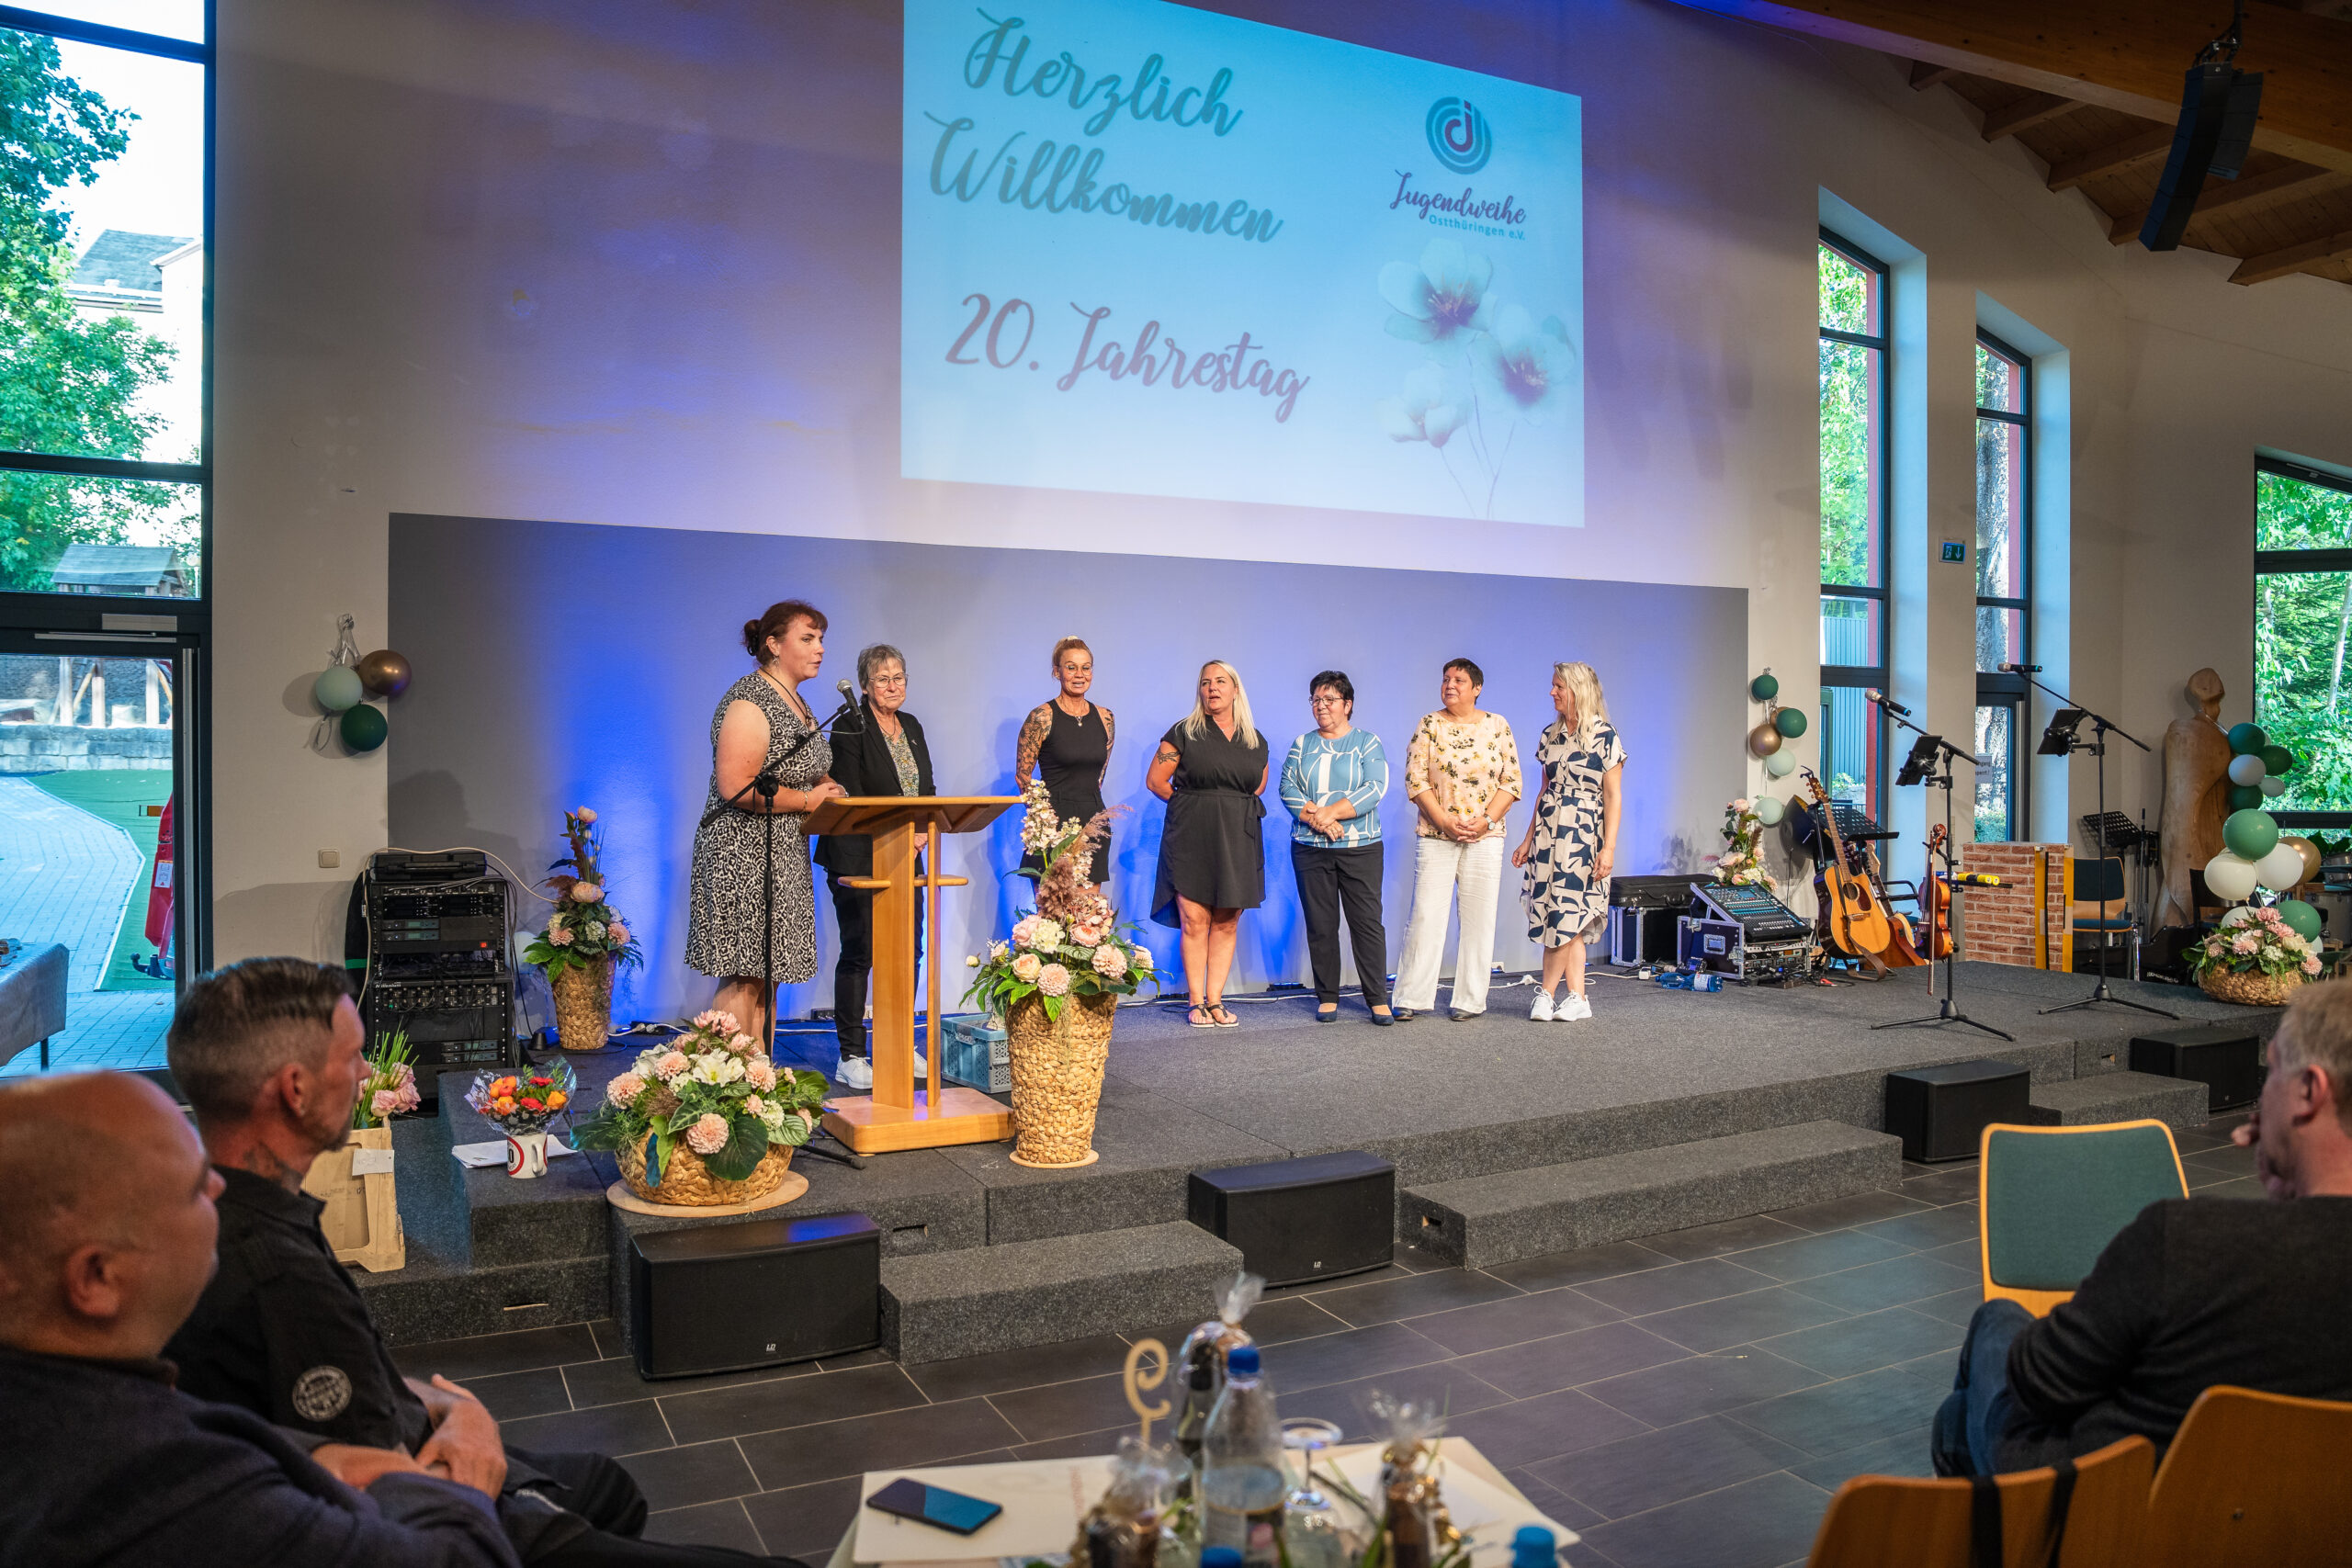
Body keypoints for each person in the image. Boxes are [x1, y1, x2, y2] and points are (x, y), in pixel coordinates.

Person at [158, 958, 794, 1565]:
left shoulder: (225, 1217)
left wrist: (447, 1404)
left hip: (421, 1444)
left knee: (608, 1483)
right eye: (352, 1057)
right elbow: (383, 1483)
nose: (365, 1073)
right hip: (444, 1521)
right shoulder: (277, 1278)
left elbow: (346, 1391)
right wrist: (472, 1436)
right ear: (294, 1090)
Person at [0, 1070, 521, 1566]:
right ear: (96, 1278)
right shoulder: (154, 1486)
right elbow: (463, 1558)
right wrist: (456, 1455)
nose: (220, 1189)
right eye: (193, 1186)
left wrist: (314, 1453)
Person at [1930, 979, 2352, 1478]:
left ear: (2308, 1092)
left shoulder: (2189, 1242)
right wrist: (2295, 1197)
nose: (2262, 1097)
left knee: (1989, 1341)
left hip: (2116, 1504)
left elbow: (2040, 1382)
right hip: (2291, 1505)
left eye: (2273, 1069)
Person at [685, 600, 846, 1048]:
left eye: (821, 639)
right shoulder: (749, 700)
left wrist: (827, 786)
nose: (820, 649)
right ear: (774, 644)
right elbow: (736, 786)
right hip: (742, 850)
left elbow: (803, 767)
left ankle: (757, 1076)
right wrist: (809, 799)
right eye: (808, 639)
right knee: (745, 974)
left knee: (766, 972)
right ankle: (723, 1080)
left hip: (782, 848)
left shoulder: (796, 701)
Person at [813, 644, 935, 1091]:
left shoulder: (912, 726)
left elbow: (927, 788)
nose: (892, 686)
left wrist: (921, 829)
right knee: (861, 952)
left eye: (899, 677)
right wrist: (901, 833)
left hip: (907, 857)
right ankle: (851, 1055)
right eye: (883, 679)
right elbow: (853, 795)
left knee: (908, 950)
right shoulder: (850, 725)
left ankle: (898, 1041)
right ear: (865, 686)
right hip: (857, 855)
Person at [1392, 659, 1522, 1021]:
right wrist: (1443, 820)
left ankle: (1469, 999)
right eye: (1446, 679)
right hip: (1437, 834)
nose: (1450, 685)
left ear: (1477, 688)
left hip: (1485, 836)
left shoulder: (1497, 725)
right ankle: (1411, 996)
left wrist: (1485, 821)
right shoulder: (1429, 724)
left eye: (1459, 680)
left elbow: (1511, 782)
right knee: (1425, 915)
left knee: (1479, 919)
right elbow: (1415, 779)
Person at [1148, 660, 1271, 1029]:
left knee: (1227, 920)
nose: (1212, 688)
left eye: (1220, 681)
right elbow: (1156, 781)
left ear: (1235, 689)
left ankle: (1216, 1000)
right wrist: (1192, 808)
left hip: (1238, 837)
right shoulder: (1184, 732)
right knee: (1195, 919)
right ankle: (1196, 1002)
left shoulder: (1255, 740)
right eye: (1205, 682)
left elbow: (1257, 786)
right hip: (1192, 836)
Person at [1279, 671, 1394, 1026]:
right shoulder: (1302, 744)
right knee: (1321, 924)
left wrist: (1329, 813)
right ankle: (1327, 996)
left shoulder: (1367, 742)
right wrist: (1320, 820)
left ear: (1348, 704)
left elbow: (1375, 787)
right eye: (1316, 699)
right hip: (1310, 848)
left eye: (1329, 699)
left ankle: (1377, 998)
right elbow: (1287, 787)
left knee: (1366, 924)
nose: (1321, 706)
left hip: (1361, 847)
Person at [1513, 662, 1626, 1022]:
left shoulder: (1605, 736)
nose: (1552, 693)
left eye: (1558, 686)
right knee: (1562, 915)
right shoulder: (1550, 735)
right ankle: (1578, 998)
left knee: (1565, 914)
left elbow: (1613, 796)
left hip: (1583, 838)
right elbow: (1543, 791)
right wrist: (1528, 839)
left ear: (1578, 690)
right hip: (1548, 836)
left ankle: (1546, 994)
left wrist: (1608, 848)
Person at [1016, 637, 1117, 891]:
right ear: (1057, 672)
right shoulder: (1041, 717)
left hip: (1092, 821)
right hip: (1052, 825)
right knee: (1052, 912)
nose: (1079, 674)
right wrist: (1042, 822)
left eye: (1086, 667)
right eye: (1071, 667)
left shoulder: (1106, 717)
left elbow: (1099, 776)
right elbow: (1022, 776)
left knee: (1088, 913)